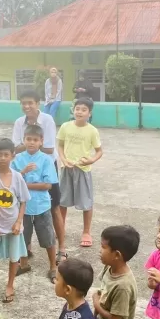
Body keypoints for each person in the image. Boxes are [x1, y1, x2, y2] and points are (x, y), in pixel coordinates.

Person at [11, 90, 67, 263]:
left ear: (38, 104)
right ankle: (26, 250)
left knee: (54, 207)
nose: (27, 106)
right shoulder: (19, 122)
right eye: (24, 103)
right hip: (25, 166)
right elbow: (15, 148)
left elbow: (49, 149)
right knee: (24, 207)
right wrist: (29, 147)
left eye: (30, 103)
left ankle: (62, 248)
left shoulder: (47, 120)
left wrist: (27, 145)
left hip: (46, 166)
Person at [0, 138, 30, 303]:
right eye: (0, 155)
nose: (3, 158)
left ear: (13, 156)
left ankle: (10, 284)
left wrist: (18, 222)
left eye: (6, 155)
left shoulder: (18, 177)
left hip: (13, 225)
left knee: (14, 258)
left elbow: (23, 200)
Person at [12, 125, 58, 282]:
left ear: (41, 141)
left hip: (41, 205)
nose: (31, 142)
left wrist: (23, 184)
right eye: (28, 139)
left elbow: (47, 185)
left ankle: (53, 266)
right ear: (24, 140)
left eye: (35, 140)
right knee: (23, 237)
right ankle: (24, 264)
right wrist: (22, 173)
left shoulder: (46, 159)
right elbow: (11, 180)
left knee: (48, 238)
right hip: (22, 207)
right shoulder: (17, 159)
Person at [57, 98, 103, 248]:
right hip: (67, 169)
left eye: (84, 109)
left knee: (86, 203)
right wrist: (63, 160)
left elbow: (99, 151)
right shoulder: (65, 127)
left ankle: (86, 232)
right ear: (73, 110)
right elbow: (60, 146)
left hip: (83, 170)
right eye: (77, 109)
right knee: (62, 201)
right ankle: (60, 227)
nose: (80, 112)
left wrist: (91, 160)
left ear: (89, 113)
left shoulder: (92, 130)